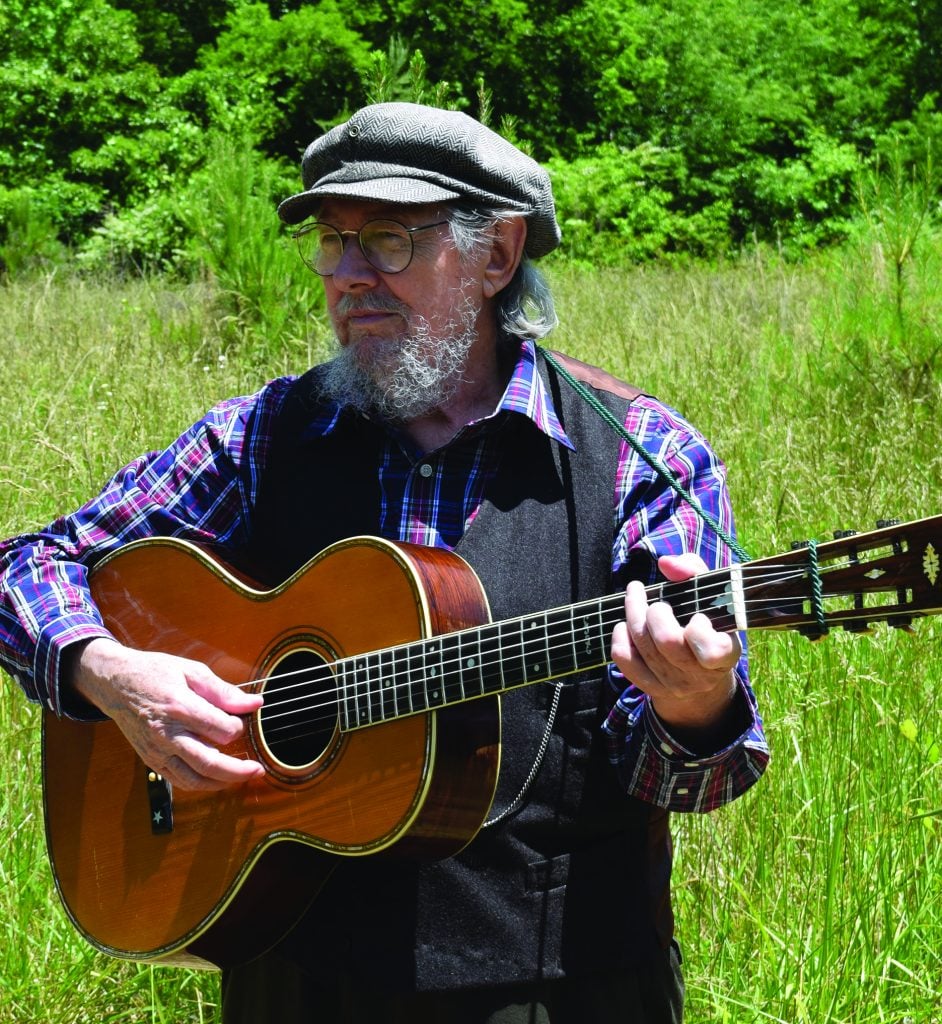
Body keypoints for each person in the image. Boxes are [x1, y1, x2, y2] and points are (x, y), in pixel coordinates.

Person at [0, 102, 768, 1023]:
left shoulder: (642, 455)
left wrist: (694, 704)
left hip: (562, 991)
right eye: (334, 241)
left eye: (392, 239)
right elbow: (27, 565)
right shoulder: (260, 437)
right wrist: (106, 671)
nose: (351, 277)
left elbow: (698, 776)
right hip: (292, 981)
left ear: (498, 255)